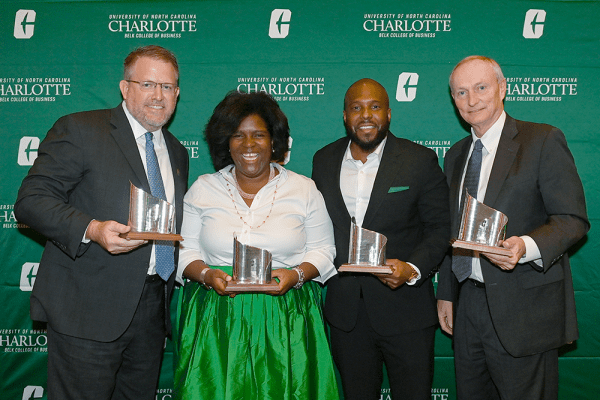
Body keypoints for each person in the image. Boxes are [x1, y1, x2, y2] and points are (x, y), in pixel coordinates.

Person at [14, 45, 189, 400]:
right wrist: (91, 229)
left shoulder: (176, 150)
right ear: (125, 88)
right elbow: (31, 201)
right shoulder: (80, 129)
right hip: (86, 310)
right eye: (148, 84)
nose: (159, 95)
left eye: (168, 87)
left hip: (152, 310)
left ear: (177, 94)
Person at [436, 55, 590, 400]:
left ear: (503, 89)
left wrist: (526, 246)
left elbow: (573, 219)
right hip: (467, 305)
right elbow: (454, 230)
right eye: (461, 92)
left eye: (481, 88)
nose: (471, 100)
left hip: (524, 309)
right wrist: (446, 291)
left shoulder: (542, 140)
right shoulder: (455, 155)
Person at [174, 90, 339, 400]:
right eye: (238, 135)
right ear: (226, 142)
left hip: (286, 314)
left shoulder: (303, 189)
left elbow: (323, 250)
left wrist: (297, 275)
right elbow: (185, 250)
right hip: (218, 315)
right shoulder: (204, 188)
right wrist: (208, 275)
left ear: (274, 141)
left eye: (258, 135)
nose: (248, 145)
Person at [312, 78, 450, 399]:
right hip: (346, 314)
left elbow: (440, 228)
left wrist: (413, 269)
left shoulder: (419, 160)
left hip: (406, 313)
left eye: (374, 107)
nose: (366, 115)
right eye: (356, 108)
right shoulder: (324, 159)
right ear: (345, 116)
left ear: (388, 113)